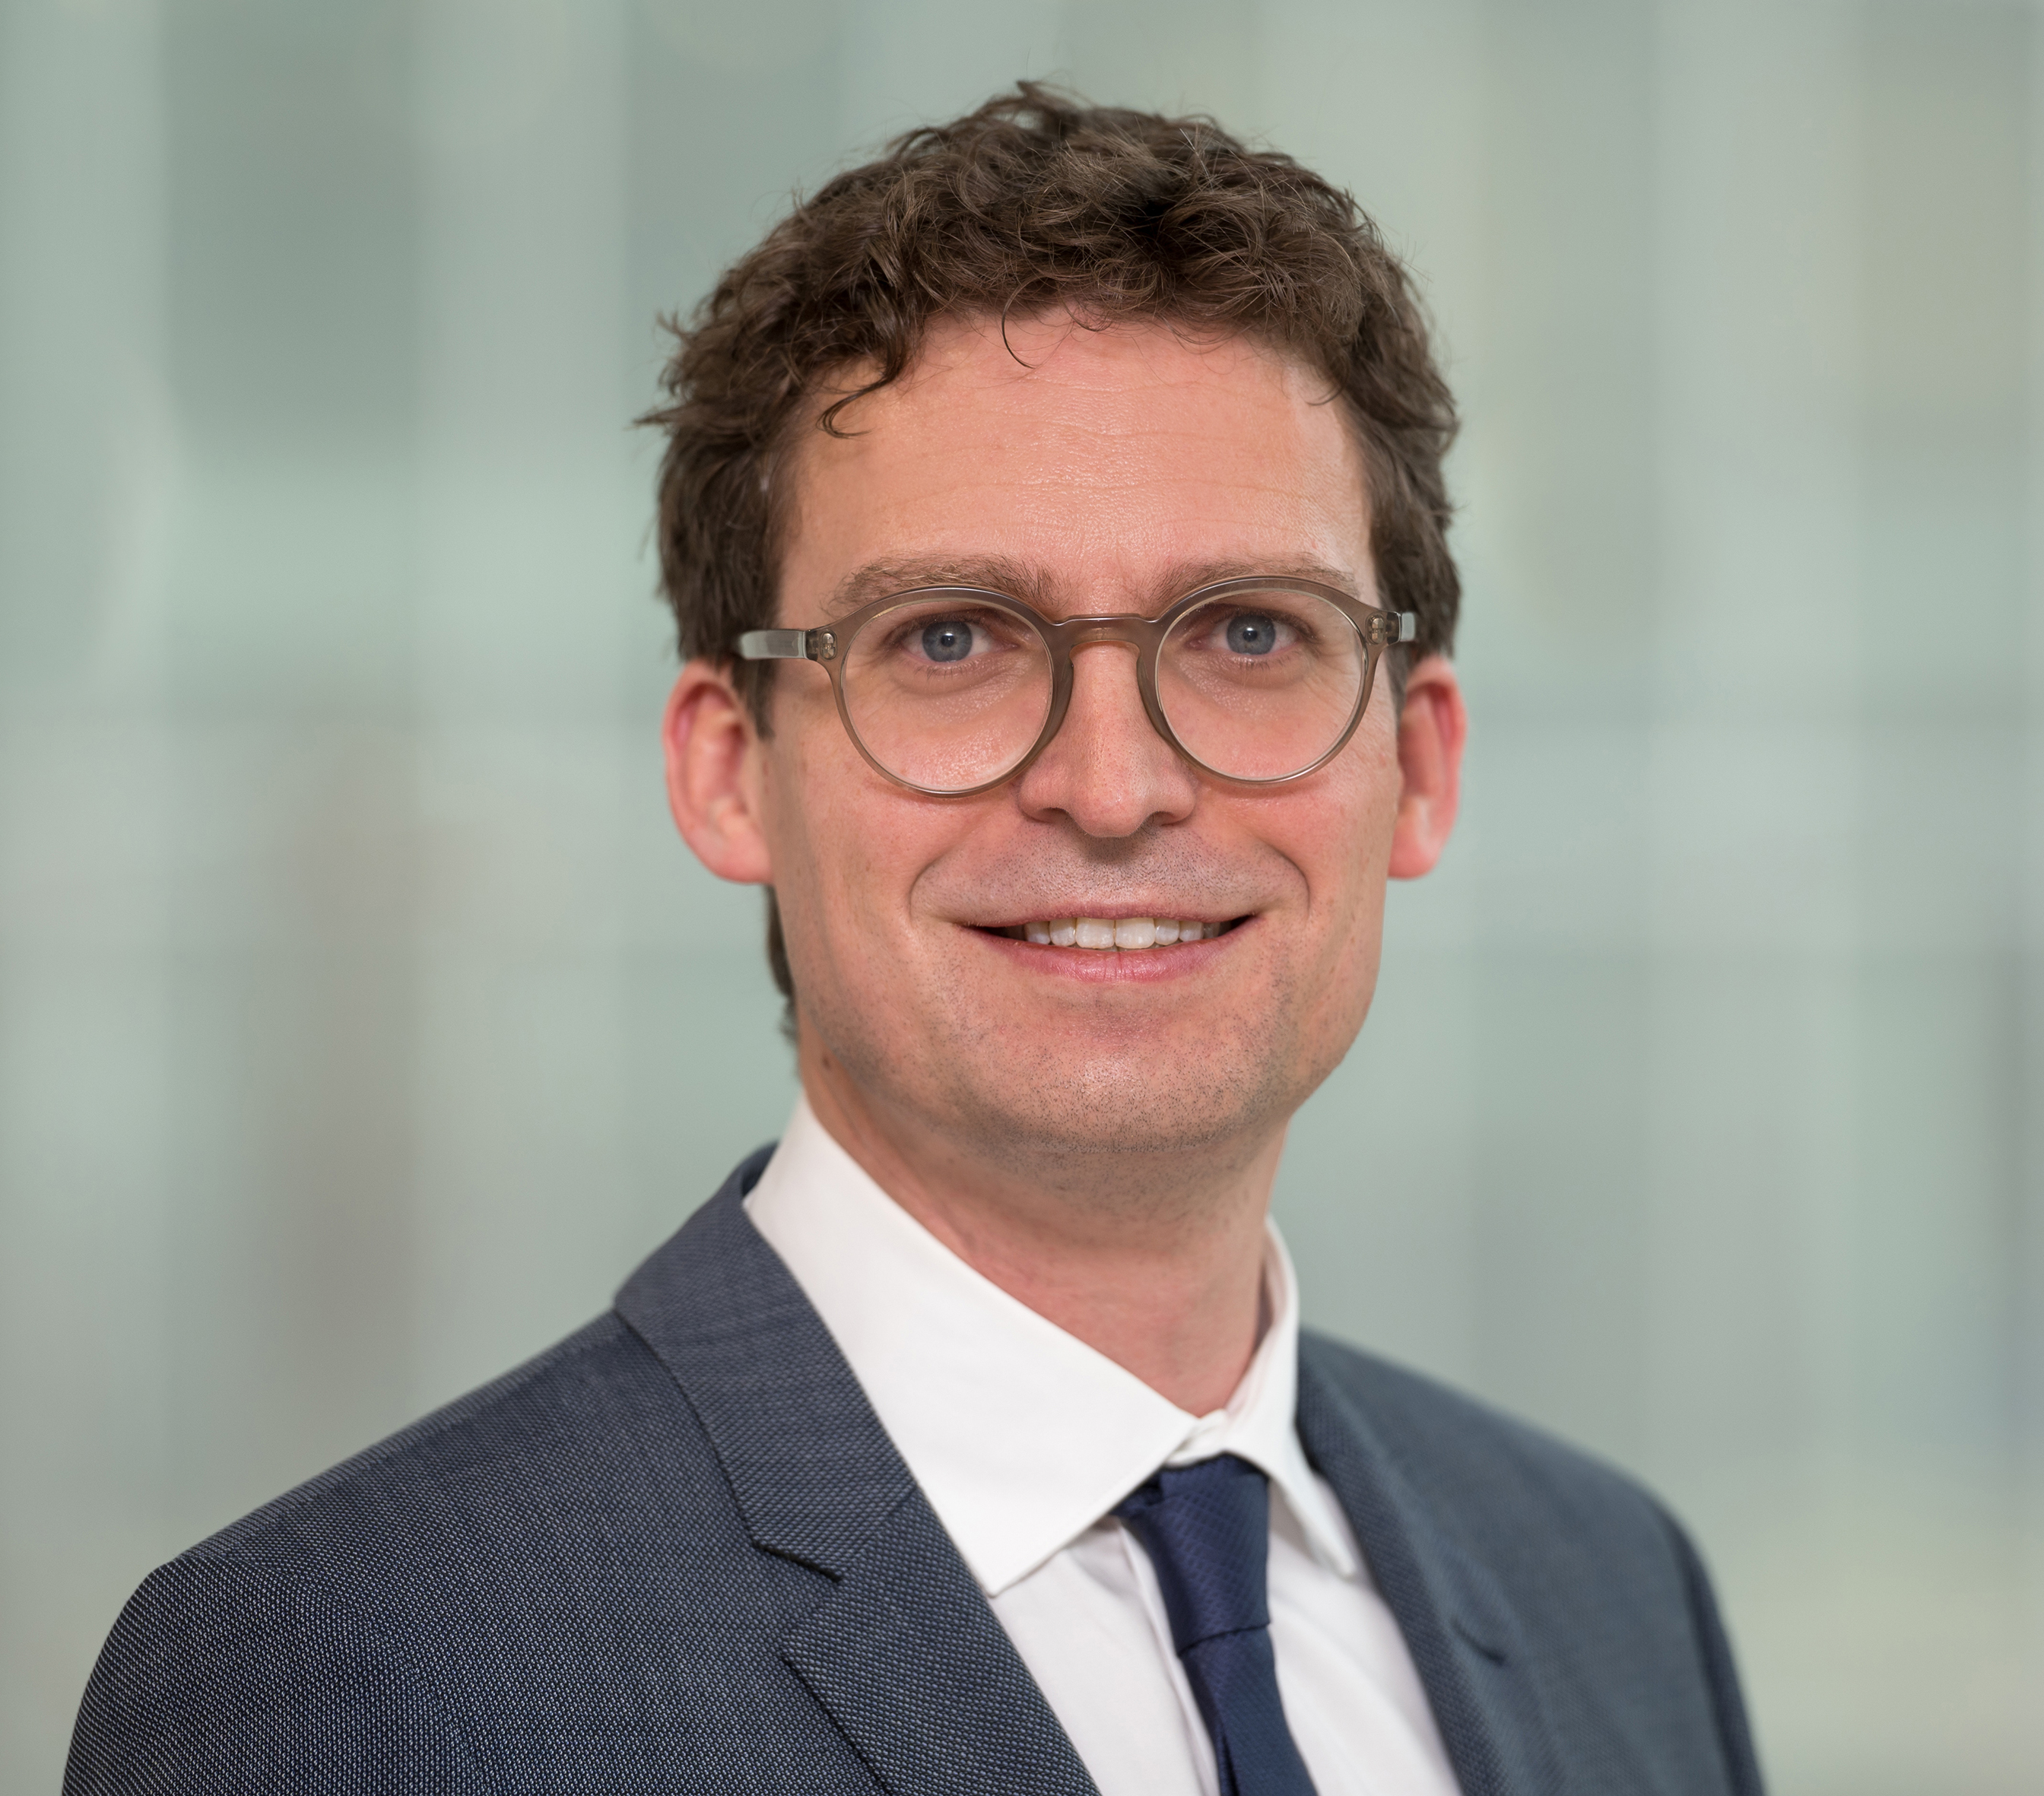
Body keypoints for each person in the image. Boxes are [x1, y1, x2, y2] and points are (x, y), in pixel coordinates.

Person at [65, 87, 1763, 1796]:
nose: (1114, 785)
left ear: (1421, 763)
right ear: (731, 770)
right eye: (954, 638)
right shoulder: (354, 1675)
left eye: (1252, 629)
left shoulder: (1611, 1594)